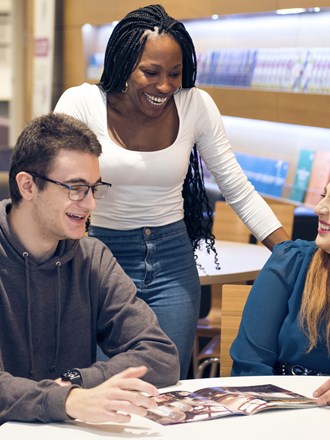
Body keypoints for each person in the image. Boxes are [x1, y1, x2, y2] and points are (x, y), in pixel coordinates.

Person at [54, 4, 289, 379]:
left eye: (175, 73)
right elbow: (58, 189)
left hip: (172, 262)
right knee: (104, 382)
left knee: (169, 383)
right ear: (122, 63)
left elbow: (237, 186)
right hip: (100, 257)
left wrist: (293, 257)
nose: (165, 86)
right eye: (151, 72)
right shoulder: (81, 103)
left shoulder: (195, 104)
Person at [0, 112, 180, 425]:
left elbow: (161, 356)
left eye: (94, 188)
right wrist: (67, 400)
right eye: (76, 187)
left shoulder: (91, 257)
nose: (90, 204)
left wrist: (77, 381)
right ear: (27, 186)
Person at [230, 180, 330, 406]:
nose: (319, 208)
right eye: (324, 196)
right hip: (279, 411)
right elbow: (249, 367)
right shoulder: (291, 261)